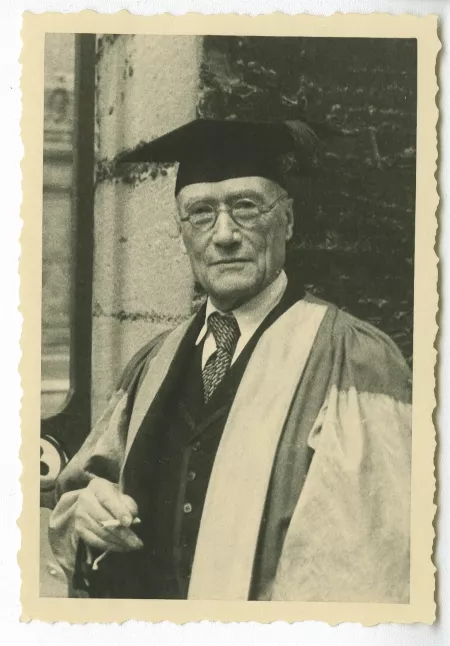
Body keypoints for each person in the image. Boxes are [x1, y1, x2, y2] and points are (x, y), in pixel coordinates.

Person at [49, 119, 412, 602]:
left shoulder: (353, 361)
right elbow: (85, 485)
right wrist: (86, 512)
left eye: (245, 207)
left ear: (287, 221)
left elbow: (368, 568)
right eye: (200, 214)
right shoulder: (152, 362)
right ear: (182, 234)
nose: (223, 235)